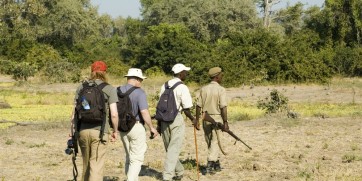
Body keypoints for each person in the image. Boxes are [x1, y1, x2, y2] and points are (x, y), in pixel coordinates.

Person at [70, 60, 119, 181]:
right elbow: (114, 114)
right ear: (105, 72)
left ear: (92, 72)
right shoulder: (109, 89)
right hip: (100, 132)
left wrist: (72, 131)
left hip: (82, 131)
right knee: (96, 166)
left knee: (86, 165)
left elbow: (74, 112)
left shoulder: (82, 88)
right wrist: (115, 130)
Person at [159, 63, 199, 181]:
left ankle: (179, 171)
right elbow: (186, 109)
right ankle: (167, 177)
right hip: (176, 118)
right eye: (185, 72)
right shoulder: (182, 87)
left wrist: (158, 123)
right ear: (180, 73)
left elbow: (160, 105)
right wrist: (193, 119)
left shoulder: (164, 85)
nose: (186, 74)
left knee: (170, 148)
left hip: (163, 119)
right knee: (174, 148)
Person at [118, 68, 159, 181]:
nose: (141, 81)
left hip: (122, 127)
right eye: (141, 79)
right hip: (136, 126)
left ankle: (131, 178)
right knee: (136, 159)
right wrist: (151, 127)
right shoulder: (139, 92)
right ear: (136, 79)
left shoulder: (118, 90)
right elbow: (144, 111)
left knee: (129, 156)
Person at [195, 67, 229, 175]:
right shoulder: (221, 90)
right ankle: (210, 165)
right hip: (216, 117)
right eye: (221, 75)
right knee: (215, 142)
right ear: (217, 76)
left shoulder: (203, 89)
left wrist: (197, 119)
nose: (222, 77)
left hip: (205, 117)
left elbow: (198, 106)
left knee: (210, 141)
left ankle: (216, 164)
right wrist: (225, 122)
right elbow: (223, 107)